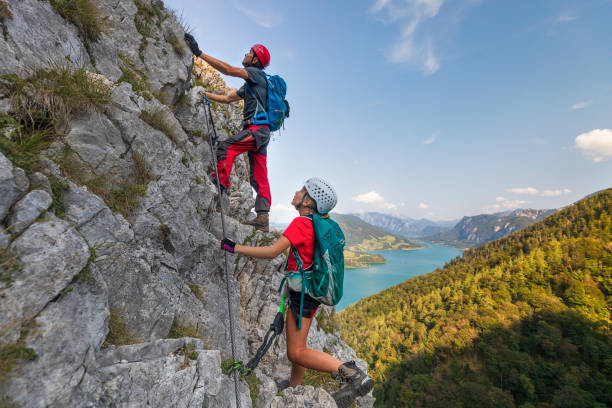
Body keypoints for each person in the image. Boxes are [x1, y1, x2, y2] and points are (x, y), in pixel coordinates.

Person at [220, 178, 374, 408]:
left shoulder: (302, 224)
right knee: (298, 345)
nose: (297, 192)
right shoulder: (321, 223)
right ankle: (294, 387)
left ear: (309, 200)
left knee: (296, 352)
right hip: (310, 294)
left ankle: (350, 372)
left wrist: (235, 248)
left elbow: (272, 252)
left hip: (303, 296)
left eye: (302, 190)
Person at [184, 33, 272, 231]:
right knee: (259, 174)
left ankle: (219, 191)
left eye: (250, 52)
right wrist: (205, 94)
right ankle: (263, 217)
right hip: (262, 132)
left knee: (226, 147)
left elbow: (228, 70)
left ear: (255, 59)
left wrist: (199, 54)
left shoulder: (255, 74)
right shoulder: (253, 84)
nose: (246, 54)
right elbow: (227, 99)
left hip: (256, 129)